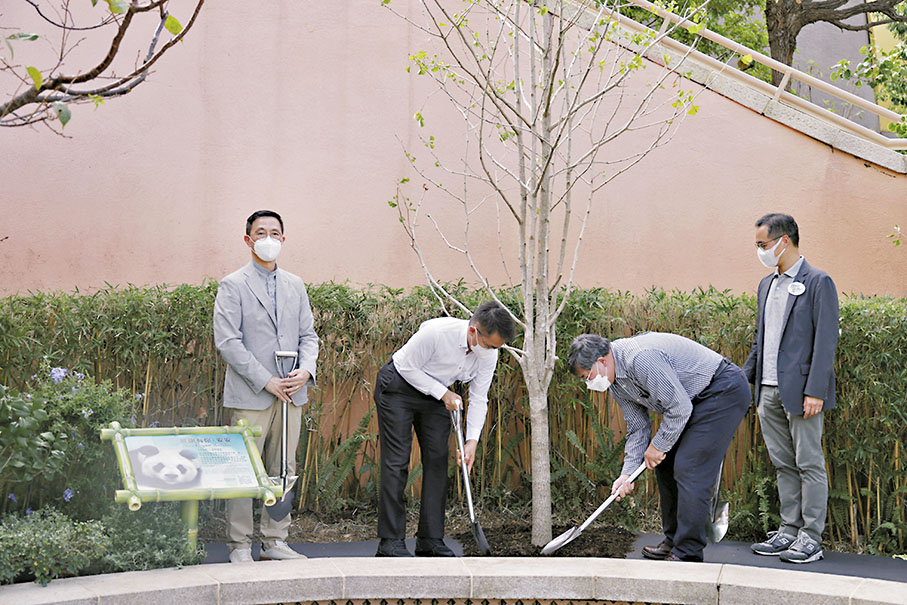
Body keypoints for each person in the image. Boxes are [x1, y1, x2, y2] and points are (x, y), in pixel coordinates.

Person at [567, 332, 750, 562]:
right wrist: (627, 475)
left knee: (689, 467)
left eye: (587, 376)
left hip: (722, 390)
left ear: (602, 361)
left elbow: (679, 408)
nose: (589, 383)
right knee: (665, 463)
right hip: (692, 400)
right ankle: (674, 541)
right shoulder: (616, 383)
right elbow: (637, 428)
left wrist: (658, 445)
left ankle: (688, 552)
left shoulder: (640, 359)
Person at [213, 210, 319, 564]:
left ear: (283, 240)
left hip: (292, 394)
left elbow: (309, 336)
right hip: (252, 394)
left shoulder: (296, 285)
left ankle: (275, 541)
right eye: (261, 232)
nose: (268, 238)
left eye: (275, 232)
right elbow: (228, 342)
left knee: (283, 468)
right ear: (248, 240)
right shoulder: (233, 284)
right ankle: (239, 544)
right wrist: (266, 380)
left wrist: (306, 371)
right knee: (243, 468)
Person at [374, 301, 515, 557]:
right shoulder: (437, 333)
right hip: (399, 388)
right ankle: (390, 541)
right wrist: (443, 393)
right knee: (397, 462)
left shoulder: (489, 353)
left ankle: (430, 539)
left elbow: (480, 397)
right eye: (490, 345)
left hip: (438, 396)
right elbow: (406, 367)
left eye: (497, 347)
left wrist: (472, 441)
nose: (492, 351)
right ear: (473, 331)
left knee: (438, 461)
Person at [743, 213, 838, 564]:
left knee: (809, 463)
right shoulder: (766, 285)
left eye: (762, 245)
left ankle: (811, 537)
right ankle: (788, 529)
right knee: (783, 464)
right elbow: (760, 339)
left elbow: (826, 342)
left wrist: (816, 390)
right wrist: (744, 381)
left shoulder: (818, 282)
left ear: (784, 241)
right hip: (767, 391)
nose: (760, 251)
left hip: (801, 392)